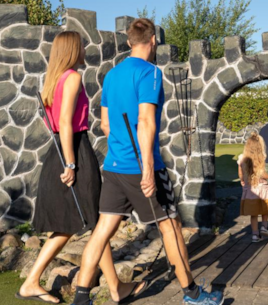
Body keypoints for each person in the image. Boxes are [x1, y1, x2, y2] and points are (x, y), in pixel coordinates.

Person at [71, 18, 223, 305]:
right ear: (153, 41)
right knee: (171, 228)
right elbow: (145, 121)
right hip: (140, 166)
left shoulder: (112, 75)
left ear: (130, 42)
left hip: (114, 167)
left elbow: (105, 125)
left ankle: (81, 299)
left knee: (103, 230)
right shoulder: (150, 73)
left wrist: (122, 151)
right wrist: (149, 171)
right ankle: (192, 294)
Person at [16, 31, 102, 304]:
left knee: (90, 221)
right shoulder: (73, 77)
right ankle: (33, 281)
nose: (86, 49)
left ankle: (32, 281)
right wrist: (71, 163)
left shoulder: (54, 80)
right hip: (73, 151)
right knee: (96, 220)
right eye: (83, 45)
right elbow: (65, 123)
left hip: (60, 152)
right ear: (73, 49)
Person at [237, 132, 268, 242]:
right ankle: (264, 227)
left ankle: (255, 235)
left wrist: (242, 180)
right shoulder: (260, 158)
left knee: (254, 214)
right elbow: (261, 174)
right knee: (265, 210)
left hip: (250, 189)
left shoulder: (242, 158)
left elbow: (240, 172)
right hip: (262, 188)